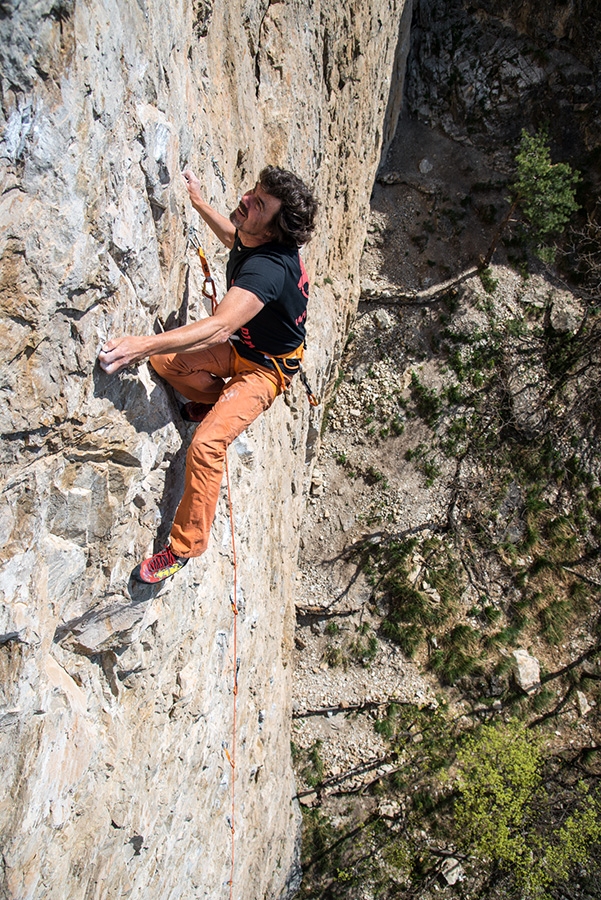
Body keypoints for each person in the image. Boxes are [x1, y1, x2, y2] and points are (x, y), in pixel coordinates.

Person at [98, 165, 318, 583]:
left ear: (274, 231)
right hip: (246, 349)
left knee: (206, 445)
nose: (247, 198)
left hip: (266, 370)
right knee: (168, 363)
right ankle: (214, 403)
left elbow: (219, 326)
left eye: (260, 203)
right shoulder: (254, 237)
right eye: (254, 190)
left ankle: (183, 548)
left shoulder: (269, 270)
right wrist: (199, 203)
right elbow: (232, 240)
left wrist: (139, 345)